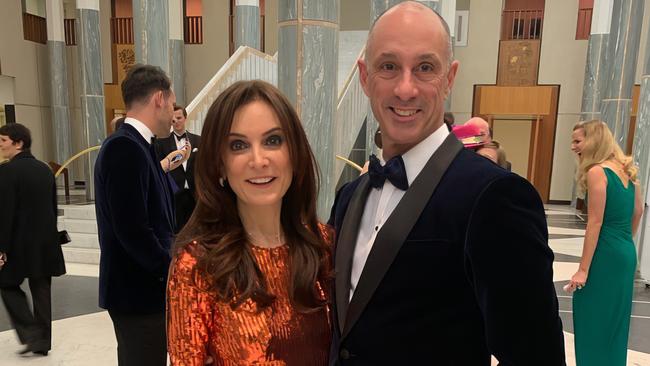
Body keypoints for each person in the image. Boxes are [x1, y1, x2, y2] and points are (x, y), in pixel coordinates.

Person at [328, 2, 565, 364]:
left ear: (450, 77)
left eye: (425, 68)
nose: (405, 89)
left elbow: (535, 355)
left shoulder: (494, 197)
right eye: (388, 67)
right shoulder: (348, 196)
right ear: (365, 76)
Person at [166, 80, 332, 365]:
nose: (259, 159)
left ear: (294, 152)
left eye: (273, 140)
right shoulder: (197, 264)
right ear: (220, 164)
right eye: (239, 145)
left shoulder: (324, 244)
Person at [94, 64, 178, 365]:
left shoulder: (139, 145)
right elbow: (133, 230)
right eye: (172, 103)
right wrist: (171, 270)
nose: (172, 112)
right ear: (159, 98)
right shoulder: (124, 148)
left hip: (143, 290)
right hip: (137, 293)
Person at [567, 120, 642, 366]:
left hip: (606, 252)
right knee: (615, 321)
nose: (573, 146)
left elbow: (595, 223)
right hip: (625, 250)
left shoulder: (597, 171)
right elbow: (638, 211)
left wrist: (583, 269)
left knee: (591, 314)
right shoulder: (628, 170)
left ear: (594, 140)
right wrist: (622, 240)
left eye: (578, 140)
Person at [0, 123, 66, 356]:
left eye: (4, 141)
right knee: (41, 291)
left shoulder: (6, 172)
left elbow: (5, 212)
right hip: (45, 242)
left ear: (19, 143)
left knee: (6, 284)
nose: (1, 145)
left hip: (19, 244)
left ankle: (30, 332)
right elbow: (53, 206)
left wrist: (1, 248)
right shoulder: (44, 169)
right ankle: (42, 342)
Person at [156, 104, 201, 232]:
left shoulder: (199, 140)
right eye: (173, 120)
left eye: (179, 118)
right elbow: (161, 171)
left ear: (185, 118)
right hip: (174, 195)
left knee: (196, 231)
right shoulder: (161, 143)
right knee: (175, 232)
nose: (176, 122)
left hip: (195, 194)